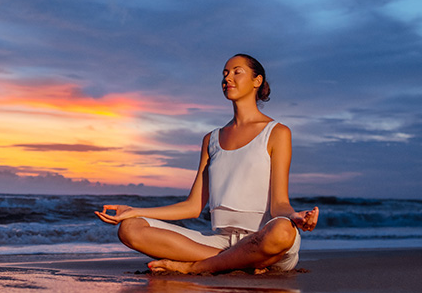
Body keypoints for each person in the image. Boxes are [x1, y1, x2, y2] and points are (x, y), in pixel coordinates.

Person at [95, 53, 319, 274]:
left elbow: (279, 203)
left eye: (236, 72)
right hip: (220, 243)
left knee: (282, 232)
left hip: (264, 239)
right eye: (225, 74)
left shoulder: (277, 132)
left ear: (257, 81)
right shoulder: (211, 139)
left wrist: (295, 217)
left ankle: (197, 266)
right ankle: (240, 261)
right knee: (130, 229)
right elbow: (193, 207)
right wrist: (134, 211)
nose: (227, 78)